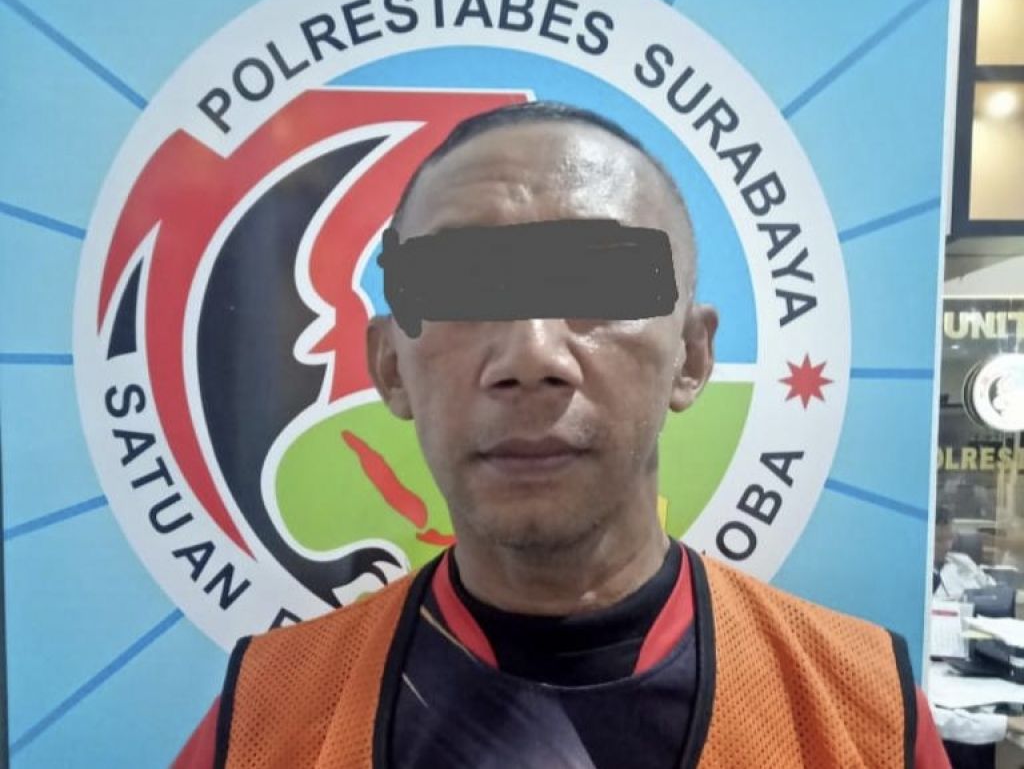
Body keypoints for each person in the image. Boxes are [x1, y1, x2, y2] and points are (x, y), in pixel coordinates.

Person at [174, 101, 950, 768]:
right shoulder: (262, 720)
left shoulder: (868, 717)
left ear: (691, 357)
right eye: (464, 286)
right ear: (390, 367)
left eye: (597, 278)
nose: (531, 355)